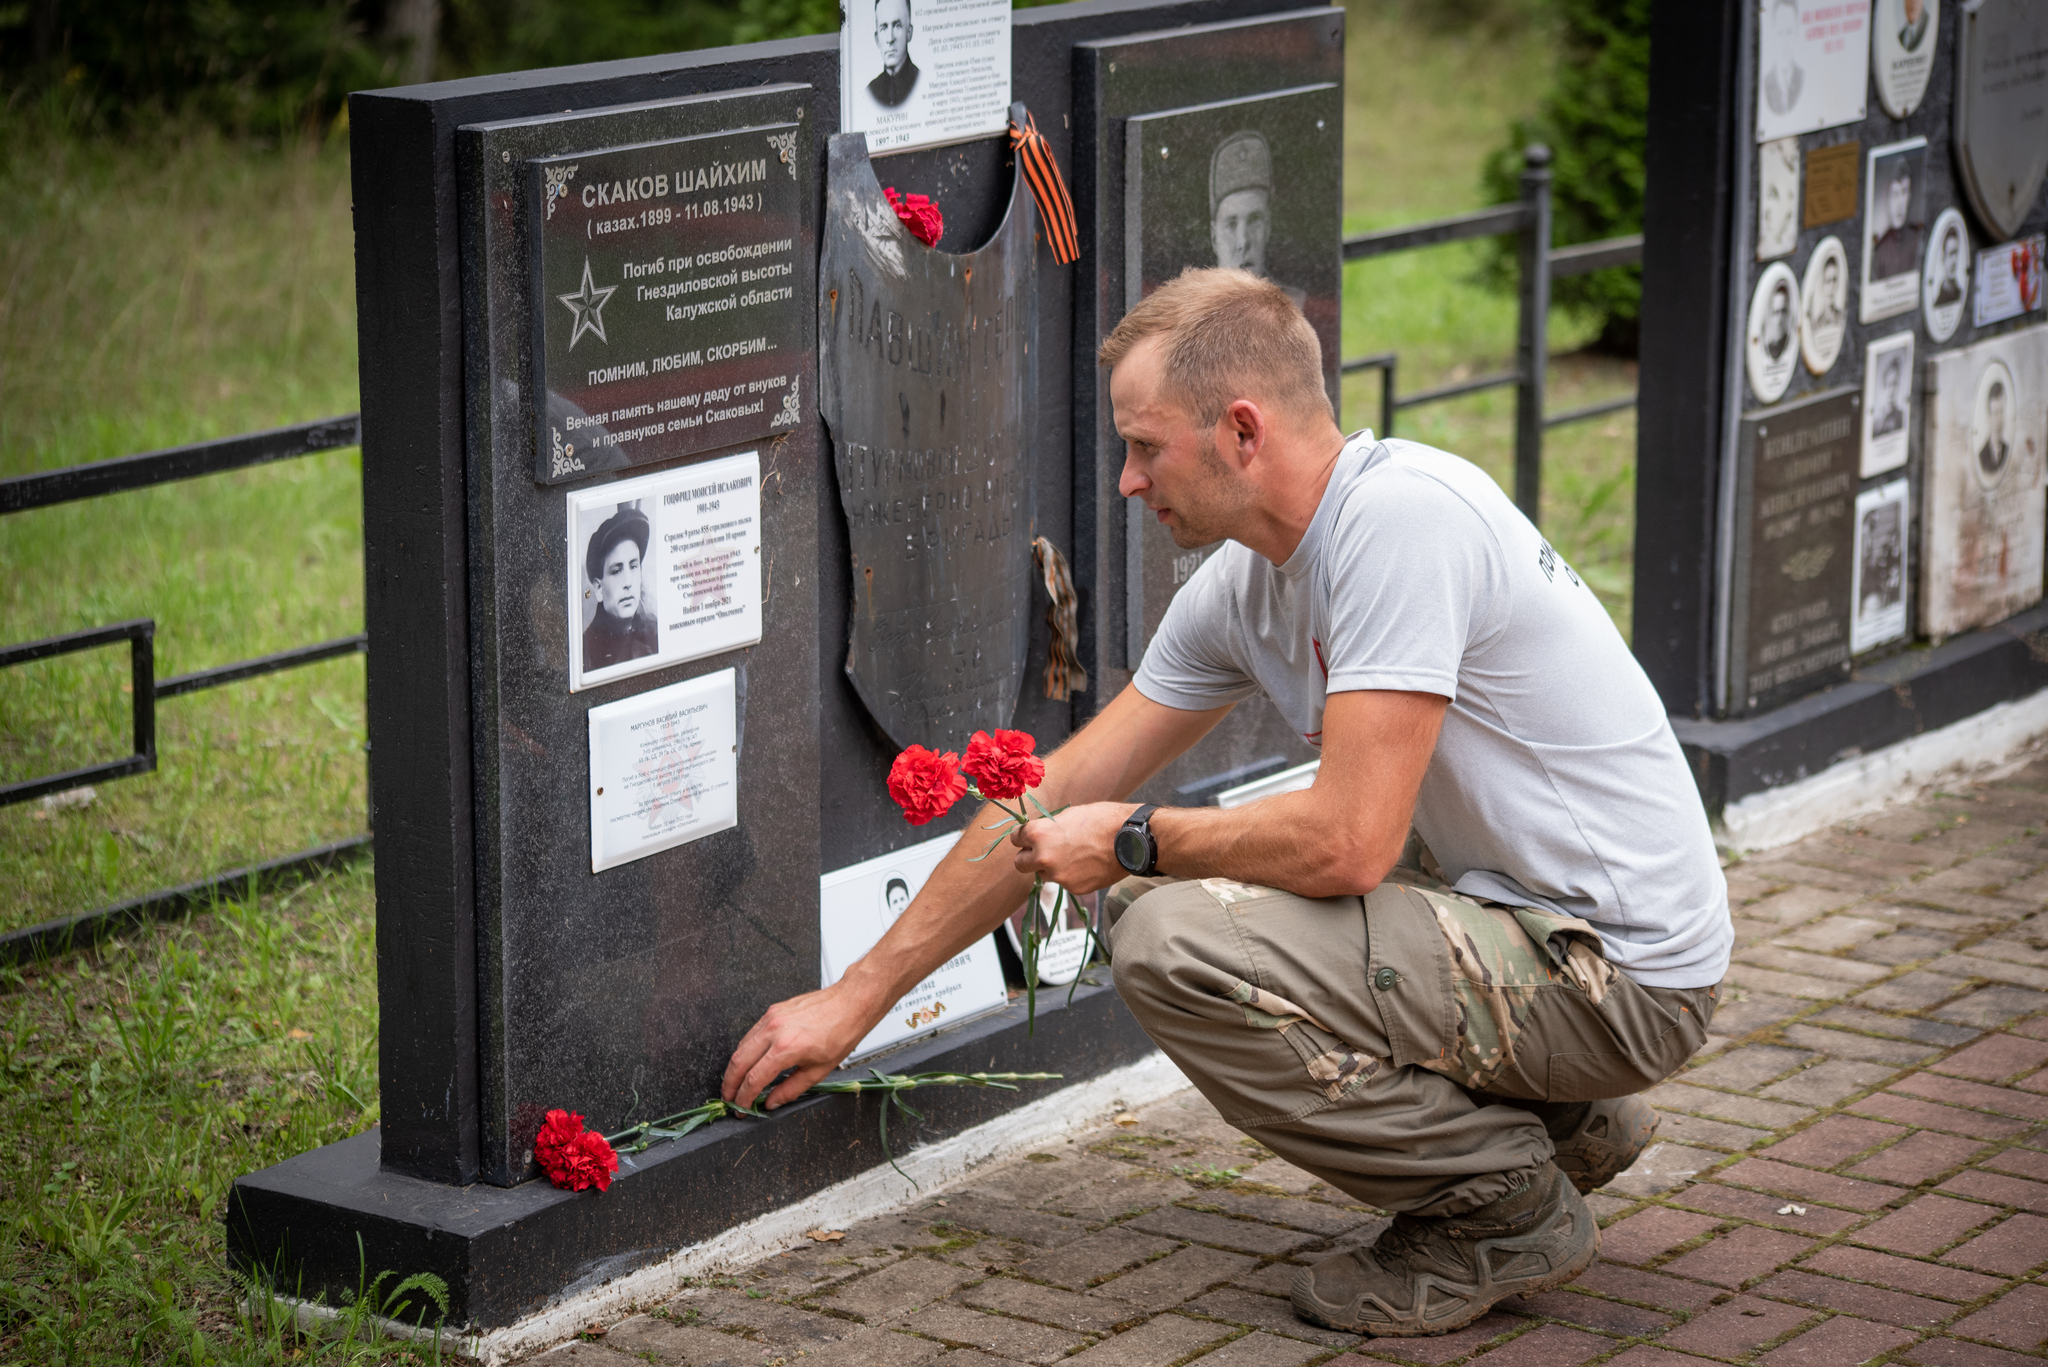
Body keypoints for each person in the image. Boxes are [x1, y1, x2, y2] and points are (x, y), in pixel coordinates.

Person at [723, 269, 1730, 1339]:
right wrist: (857, 998)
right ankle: (1563, 1118)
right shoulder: (1248, 583)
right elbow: (1051, 791)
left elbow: (1345, 844)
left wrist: (1136, 841)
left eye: (1144, 446)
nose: (1124, 478)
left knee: (1171, 939)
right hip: (1525, 922)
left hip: (1623, 975)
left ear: (1241, 429)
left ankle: (1497, 1206)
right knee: (1215, 892)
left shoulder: (1398, 522)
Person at [1208, 131, 1307, 310]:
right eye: (1231, 224)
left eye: (1254, 221)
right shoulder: (1191, 317)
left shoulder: (1295, 307)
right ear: (1214, 237)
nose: (1243, 241)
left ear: (1268, 228)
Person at [583, 505, 659, 670]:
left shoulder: (656, 632)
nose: (628, 582)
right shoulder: (586, 651)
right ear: (598, 588)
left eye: (633, 566)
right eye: (616, 571)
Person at [1871, 162, 1921, 281]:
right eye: (1895, 194)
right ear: (1887, 199)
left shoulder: (1918, 239)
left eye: (1904, 192)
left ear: (1909, 196)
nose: (1900, 204)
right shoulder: (1880, 249)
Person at [867, 0, 919, 108]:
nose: (890, 38)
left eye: (897, 26)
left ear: (909, 32)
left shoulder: (921, 81)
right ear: (877, 39)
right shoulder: (870, 91)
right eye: (883, 28)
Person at [1763, 0, 1804, 116]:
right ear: (1773, 34)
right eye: (1780, 33)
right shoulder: (1766, 81)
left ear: (1797, 33)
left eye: (1789, 32)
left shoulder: (1803, 76)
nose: (1785, 42)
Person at [1980, 380, 2011, 478]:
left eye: (2002, 412)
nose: (1999, 420)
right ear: (1989, 417)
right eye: (1995, 413)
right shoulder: (1981, 456)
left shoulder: (2007, 450)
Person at [1873, 353, 1907, 435]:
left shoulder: (1902, 418)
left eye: (1895, 384)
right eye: (1888, 384)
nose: (1891, 391)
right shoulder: (1876, 423)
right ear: (1884, 386)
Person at [1810, 255, 1844, 333]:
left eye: (1834, 280)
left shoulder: (1841, 316)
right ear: (1822, 284)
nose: (1832, 286)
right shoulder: (1817, 323)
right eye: (1828, 281)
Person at [1935, 226, 1965, 306]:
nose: (1954, 260)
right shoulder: (1938, 303)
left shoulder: (1961, 294)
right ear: (1943, 259)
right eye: (1951, 254)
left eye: (1956, 253)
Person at [1764, 281, 1794, 360]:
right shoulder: (1767, 347)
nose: (1780, 319)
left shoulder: (1788, 342)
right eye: (1776, 312)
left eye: (1783, 311)